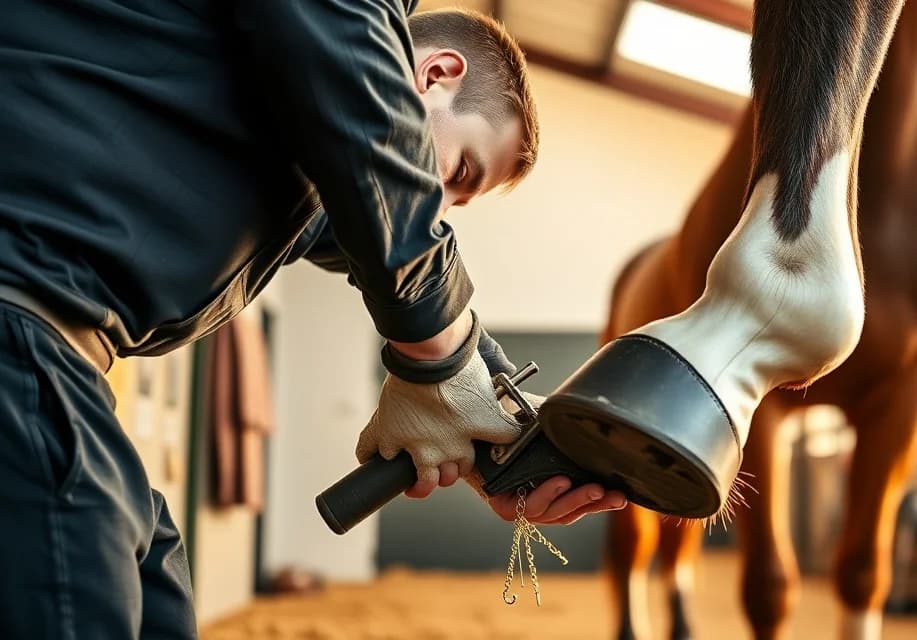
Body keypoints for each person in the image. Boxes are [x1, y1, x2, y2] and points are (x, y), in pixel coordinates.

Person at [0, 3, 624, 638]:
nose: (436, 209)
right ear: (434, 74)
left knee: (155, 589)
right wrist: (437, 363)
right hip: (21, 315)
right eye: (457, 171)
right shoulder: (345, 55)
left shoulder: (293, 155)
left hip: (51, 352)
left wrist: (508, 437)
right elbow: (377, 150)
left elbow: (386, 239)